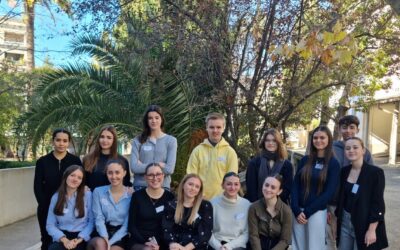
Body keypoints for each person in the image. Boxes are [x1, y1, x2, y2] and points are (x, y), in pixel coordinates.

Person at [328, 115, 374, 249]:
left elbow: (371, 180)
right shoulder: (331, 149)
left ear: (357, 130)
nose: (348, 130)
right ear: (339, 129)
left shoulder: (365, 153)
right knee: (332, 236)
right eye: (344, 127)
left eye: (352, 127)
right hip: (334, 203)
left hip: (356, 205)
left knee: (353, 237)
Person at [291, 125, 340, 250]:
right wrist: (296, 208)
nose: (318, 140)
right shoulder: (305, 160)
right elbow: (296, 184)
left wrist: (307, 212)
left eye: (322, 137)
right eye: (315, 138)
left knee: (315, 247)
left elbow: (329, 193)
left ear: (329, 139)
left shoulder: (333, 163)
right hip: (298, 212)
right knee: (298, 246)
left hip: (316, 212)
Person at [335, 137, 388, 250]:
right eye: (347, 148)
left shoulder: (375, 173)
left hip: (364, 222)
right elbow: (341, 197)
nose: (351, 150)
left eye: (355, 147)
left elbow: (377, 204)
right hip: (345, 221)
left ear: (363, 150)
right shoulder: (344, 171)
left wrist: (372, 230)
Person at [34, 128, 83, 250]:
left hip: (69, 208)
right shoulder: (42, 162)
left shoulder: (75, 160)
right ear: (53, 141)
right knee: (46, 239)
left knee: (66, 241)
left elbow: (80, 181)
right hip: (46, 207)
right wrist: (45, 204)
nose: (61, 143)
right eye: (58, 140)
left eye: (65, 140)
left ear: (69, 142)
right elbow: (37, 186)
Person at [187, 112, 238, 199]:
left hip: (223, 200)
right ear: (207, 128)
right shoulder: (197, 151)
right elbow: (191, 176)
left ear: (223, 128)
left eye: (218, 127)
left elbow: (232, 179)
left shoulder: (230, 152)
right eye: (211, 127)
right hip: (200, 199)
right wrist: (197, 194)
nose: (215, 130)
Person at [128, 163, 175, 250]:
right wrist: (146, 242)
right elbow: (132, 225)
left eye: (158, 174)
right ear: (145, 177)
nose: (155, 178)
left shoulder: (170, 197)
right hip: (139, 240)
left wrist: (157, 243)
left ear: (163, 176)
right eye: (150, 175)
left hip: (162, 240)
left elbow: (171, 225)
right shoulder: (137, 196)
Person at [130, 105, 177, 191]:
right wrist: (159, 165)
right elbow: (134, 167)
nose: (153, 121)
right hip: (141, 187)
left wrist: (143, 165)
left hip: (163, 187)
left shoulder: (171, 141)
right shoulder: (138, 140)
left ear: (161, 119)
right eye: (150, 118)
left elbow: (170, 169)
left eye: (157, 117)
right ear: (147, 121)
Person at [46, 165, 93, 250]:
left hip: (81, 236)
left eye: (79, 177)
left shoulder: (87, 195)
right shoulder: (56, 197)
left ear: (81, 181)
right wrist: (64, 240)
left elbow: (91, 222)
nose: (75, 179)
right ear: (66, 176)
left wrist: (79, 239)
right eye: (72, 175)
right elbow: (50, 225)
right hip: (62, 235)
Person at [88, 159, 132, 250]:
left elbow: (126, 225)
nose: (113, 176)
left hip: (121, 234)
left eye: (117, 172)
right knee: (100, 244)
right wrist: (105, 239)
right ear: (106, 174)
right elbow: (98, 218)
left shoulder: (131, 195)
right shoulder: (98, 192)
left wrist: (110, 243)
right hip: (101, 231)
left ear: (124, 173)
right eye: (110, 173)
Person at [162, 174, 213, 250]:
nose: (193, 188)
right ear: (183, 185)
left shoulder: (205, 206)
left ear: (199, 190)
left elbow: (205, 233)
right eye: (190, 184)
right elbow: (167, 229)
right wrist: (172, 244)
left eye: (197, 186)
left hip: (196, 247)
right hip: (176, 247)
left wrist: (185, 248)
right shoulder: (172, 205)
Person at [245, 128, 293, 204]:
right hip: (256, 205)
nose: (270, 143)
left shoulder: (287, 165)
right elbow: (251, 188)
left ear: (278, 143)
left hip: (278, 206)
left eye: (274, 140)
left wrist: (273, 205)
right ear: (264, 142)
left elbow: (287, 189)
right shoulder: (254, 163)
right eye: (267, 140)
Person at [248, 175, 292, 250]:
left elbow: (285, 240)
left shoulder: (286, 211)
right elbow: (253, 235)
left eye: (273, 187)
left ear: (279, 191)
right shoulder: (254, 207)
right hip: (258, 245)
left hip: (278, 246)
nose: (268, 189)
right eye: (266, 185)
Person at [209, 172, 251, 250]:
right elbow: (207, 230)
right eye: (229, 184)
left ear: (239, 186)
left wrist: (228, 246)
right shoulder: (212, 203)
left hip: (237, 246)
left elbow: (246, 233)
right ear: (222, 185)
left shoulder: (246, 205)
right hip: (216, 245)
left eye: (236, 184)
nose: (233, 187)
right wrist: (219, 247)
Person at [83, 125, 131, 191]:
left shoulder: (122, 161)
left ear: (114, 140)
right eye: (102, 137)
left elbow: (126, 184)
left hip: (114, 200)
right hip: (92, 198)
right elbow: (82, 181)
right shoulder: (87, 159)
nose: (105, 140)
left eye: (109, 138)